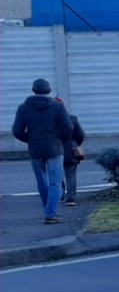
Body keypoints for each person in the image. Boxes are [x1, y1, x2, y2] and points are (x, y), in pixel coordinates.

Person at [11, 78, 73, 224]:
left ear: (33, 90)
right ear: (49, 90)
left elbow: (17, 131)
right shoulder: (57, 107)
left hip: (35, 149)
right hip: (54, 148)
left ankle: (48, 209)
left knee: (42, 182)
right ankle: (51, 213)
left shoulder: (23, 108)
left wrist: (30, 139)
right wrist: (60, 139)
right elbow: (68, 127)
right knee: (55, 183)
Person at [58, 99, 86, 208]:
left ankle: (60, 195)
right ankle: (71, 197)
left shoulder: (48, 120)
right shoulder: (72, 119)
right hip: (70, 149)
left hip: (54, 150)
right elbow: (80, 134)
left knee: (56, 174)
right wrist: (75, 144)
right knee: (71, 174)